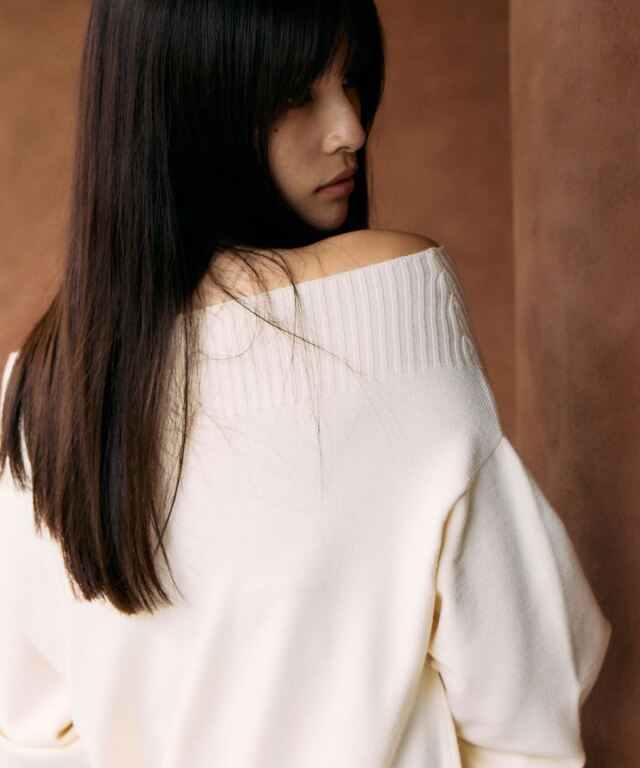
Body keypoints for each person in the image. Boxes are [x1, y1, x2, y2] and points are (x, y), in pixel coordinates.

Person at [0, 1, 611, 766]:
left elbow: (31, 737)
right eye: (296, 93)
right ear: (190, 103)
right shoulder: (390, 297)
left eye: (350, 80)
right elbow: (531, 688)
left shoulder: (41, 389)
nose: (350, 128)